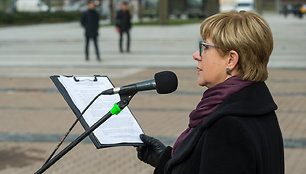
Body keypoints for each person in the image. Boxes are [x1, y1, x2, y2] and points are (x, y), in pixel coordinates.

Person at [136, 11, 284, 174]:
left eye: (205, 47)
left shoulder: (228, 126)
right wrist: (164, 160)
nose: (196, 55)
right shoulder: (257, 108)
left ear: (231, 60)